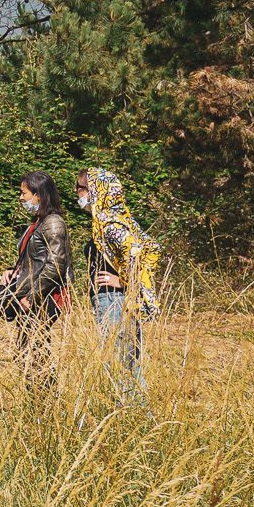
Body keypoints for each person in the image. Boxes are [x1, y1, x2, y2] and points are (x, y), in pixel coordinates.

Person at [78, 167, 158, 394]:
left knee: (120, 364)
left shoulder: (111, 224)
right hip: (114, 300)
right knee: (127, 365)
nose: (76, 192)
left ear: (96, 191)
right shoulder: (113, 219)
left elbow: (144, 250)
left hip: (115, 301)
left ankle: (133, 410)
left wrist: (124, 280)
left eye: (80, 187)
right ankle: (136, 410)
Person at [0, 171, 72, 377]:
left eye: (24, 193)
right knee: (29, 350)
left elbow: (55, 265)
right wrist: (14, 271)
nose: (21, 198)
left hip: (44, 297)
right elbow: (35, 259)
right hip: (32, 294)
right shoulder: (38, 221)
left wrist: (32, 296)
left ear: (39, 195)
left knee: (34, 352)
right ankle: (37, 393)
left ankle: (43, 394)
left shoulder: (53, 223)